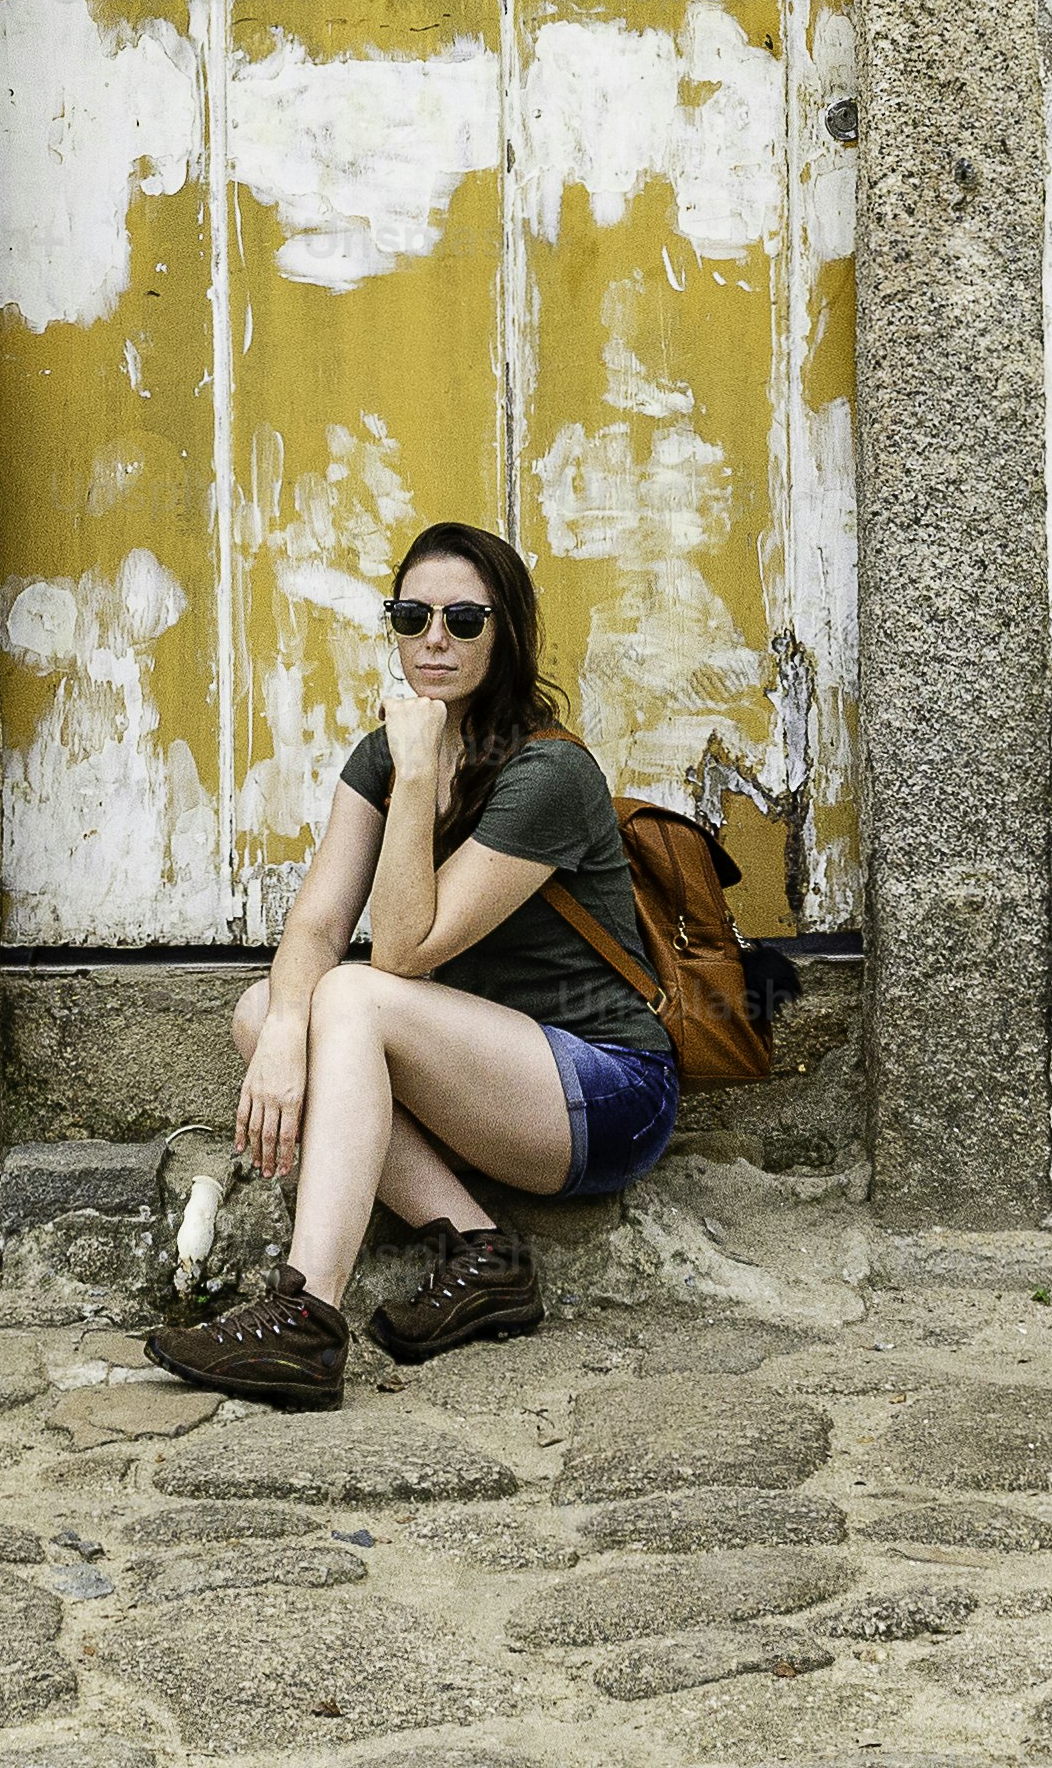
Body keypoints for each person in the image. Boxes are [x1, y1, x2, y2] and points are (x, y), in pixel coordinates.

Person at [144, 519, 680, 1409]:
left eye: (464, 620)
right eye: (414, 615)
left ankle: (306, 1319)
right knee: (264, 1008)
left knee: (356, 993)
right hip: (498, 1077)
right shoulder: (383, 754)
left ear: (505, 631)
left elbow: (399, 949)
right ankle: (483, 1252)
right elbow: (317, 924)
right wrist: (281, 1032)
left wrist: (422, 774)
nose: (435, 638)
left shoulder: (549, 776)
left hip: (610, 1092)